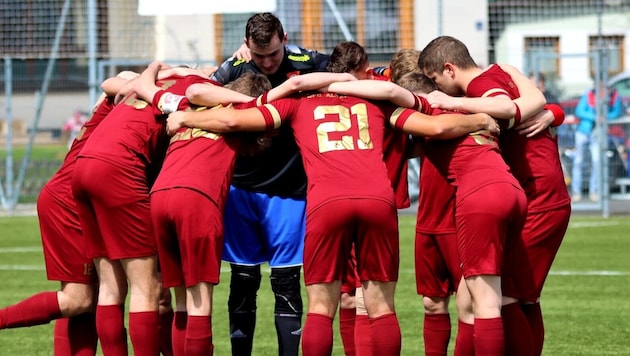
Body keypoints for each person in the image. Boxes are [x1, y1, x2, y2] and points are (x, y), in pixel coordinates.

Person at [419, 35, 571, 356]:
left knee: (503, 298)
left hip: (538, 199)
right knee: (520, 296)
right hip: (540, 196)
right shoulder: (503, 69)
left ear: (449, 69)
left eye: (436, 82)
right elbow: (536, 99)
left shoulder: (478, 88)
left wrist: (454, 103)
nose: (440, 91)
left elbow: (504, 105)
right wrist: (551, 111)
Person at [71, 65, 216, 356]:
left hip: (84, 166)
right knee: (146, 287)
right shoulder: (187, 94)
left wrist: (160, 68)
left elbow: (116, 81)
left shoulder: (144, 84)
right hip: (120, 168)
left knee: (111, 288)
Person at [208, 12, 329, 356]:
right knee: (243, 282)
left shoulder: (308, 63)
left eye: (273, 54)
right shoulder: (233, 68)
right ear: (247, 45)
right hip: (241, 190)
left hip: (290, 192)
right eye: (259, 56)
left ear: (284, 38)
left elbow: (352, 69)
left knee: (287, 283)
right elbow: (199, 92)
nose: (266, 62)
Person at [0, 73, 128, 356]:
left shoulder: (114, 105)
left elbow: (112, 83)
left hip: (76, 196)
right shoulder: (136, 98)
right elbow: (118, 79)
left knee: (90, 295)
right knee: (78, 299)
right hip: (71, 201)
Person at [571, 81, 624, 202]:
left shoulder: (614, 96)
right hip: (583, 131)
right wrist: (595, 117)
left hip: (598, 133)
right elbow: (579, 111)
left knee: (597, 161)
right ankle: (576, 191)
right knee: (578, 161)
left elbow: (616, 112)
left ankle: (594, 190)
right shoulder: (588, 94)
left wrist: (605, 117)